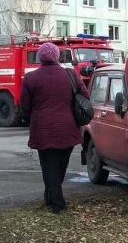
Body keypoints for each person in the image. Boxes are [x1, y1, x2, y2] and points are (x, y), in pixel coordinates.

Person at [20, 42, 90, 214]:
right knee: (60, 165)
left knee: (48, 166)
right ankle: (50, 196)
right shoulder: (71, 74)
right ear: (57, 56)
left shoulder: (31, 78)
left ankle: (57, 203)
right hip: (68, 127)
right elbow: (85, 96)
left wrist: (33, 115)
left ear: (41, 57)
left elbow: (24, 105)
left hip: (42, 128)